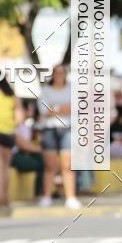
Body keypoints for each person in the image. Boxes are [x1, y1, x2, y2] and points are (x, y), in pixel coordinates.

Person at [38, 64, 80, 209]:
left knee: (67, 164)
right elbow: (44, 110)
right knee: (50, 165)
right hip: (49, 129)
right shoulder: (46, 90)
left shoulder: (72, 89)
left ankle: (71, 197)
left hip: (68, 129)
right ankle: (47, 196)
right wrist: (63, 108)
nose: (59, 75)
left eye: (62, 73)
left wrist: (55, 108)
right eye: (57, 73)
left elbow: (75, 108)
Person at [0, 71, 22, 212]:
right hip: (8, 132)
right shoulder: (12, 95)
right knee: (6, 167)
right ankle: (6, 197)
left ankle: (0, 198)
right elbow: (20, 117)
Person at [12, 100, 44, 196]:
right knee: (43, 163)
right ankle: (38, 193)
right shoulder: (15, 126)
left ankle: (42, 192)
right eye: (29, 109)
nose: (31, 111)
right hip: (15, 157)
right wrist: (42, 150)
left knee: (46, 161)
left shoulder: (26, 126)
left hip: (25, 155)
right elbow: (22, 145)